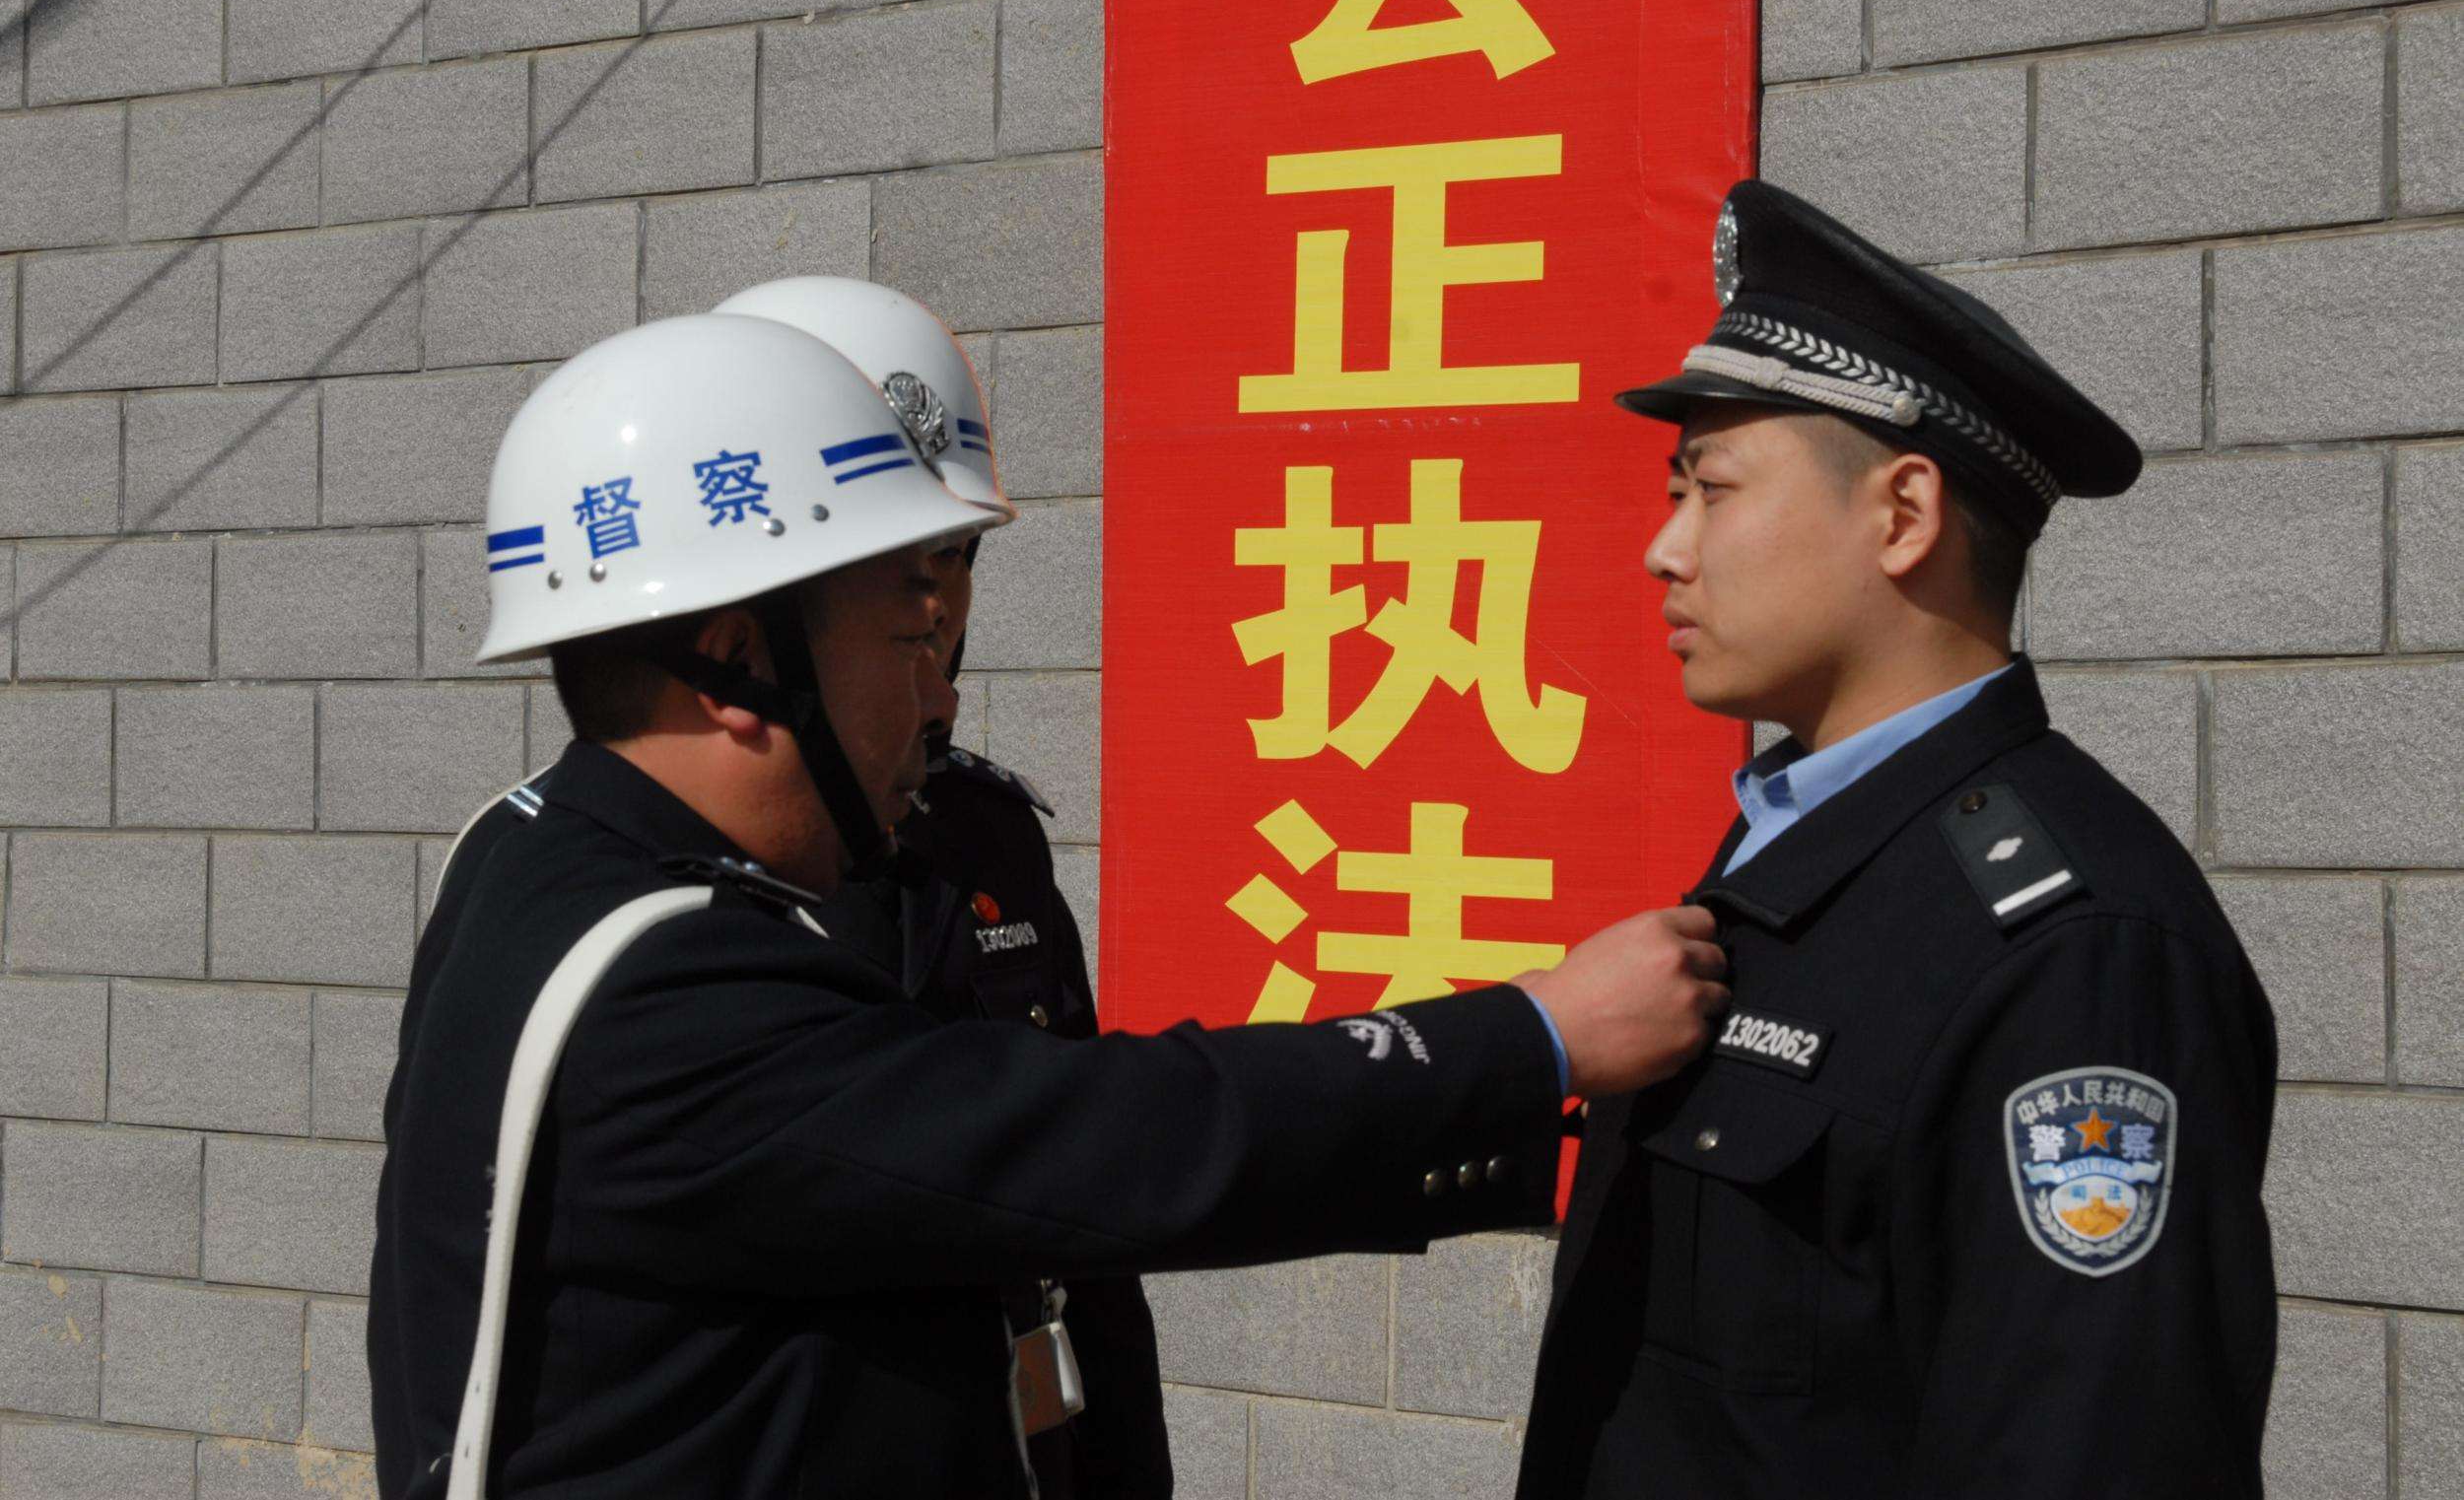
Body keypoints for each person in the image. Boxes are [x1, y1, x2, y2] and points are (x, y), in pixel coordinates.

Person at [370, 310, 1731, 1498]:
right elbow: (1106, 1136)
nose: (937, 695)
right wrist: (1533, 1034)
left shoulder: (535, 859)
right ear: (739, 666)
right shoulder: (672, 1000)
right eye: (908, 640)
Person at [1514, 181, 2279, 1499]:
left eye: (1711, 490)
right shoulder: (1808, 843)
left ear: (1904, 514)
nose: (1663, 550)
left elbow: (2090, 1448)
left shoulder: (2079, 952)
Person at [715, 275, 1169, 1497]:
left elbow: (1084, 1214)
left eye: (953, 557)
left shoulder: (985, 834)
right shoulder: (647, 883)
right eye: (893, 565)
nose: (933, 604)